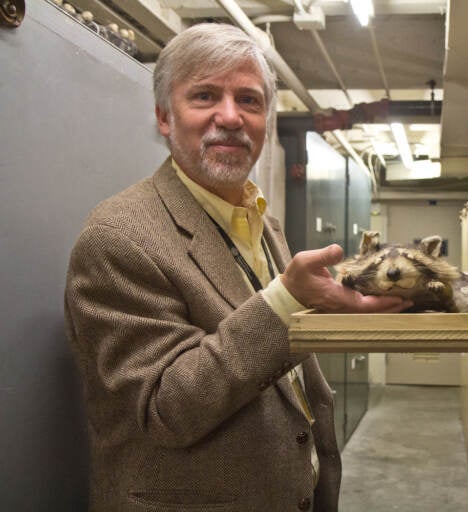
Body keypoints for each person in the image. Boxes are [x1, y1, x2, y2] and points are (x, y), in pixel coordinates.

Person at [64, 23, 410, 512]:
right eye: (204, 96)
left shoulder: (261, 222)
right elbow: (166, 408)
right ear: (165, 116)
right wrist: (288, 299)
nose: (230, 117)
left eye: (249, 101)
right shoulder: (118, 238)